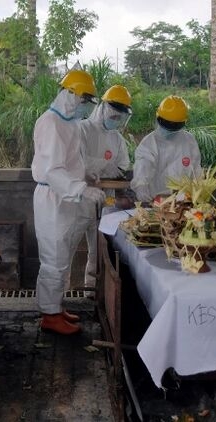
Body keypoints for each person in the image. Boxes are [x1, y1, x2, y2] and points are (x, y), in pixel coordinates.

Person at [31, 69, 106, 335]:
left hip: (65, 197)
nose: (86, 105)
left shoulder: (69, 122)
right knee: (53, 257)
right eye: (85, 99)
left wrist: (84, 172)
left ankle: (56, 306)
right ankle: (50, 315)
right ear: (71, 94)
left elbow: (69, 160)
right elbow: (52, 170)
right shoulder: (50, 123)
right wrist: (81, 189)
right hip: (53, 197)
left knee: (63, 256)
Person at [78, 85, 133, 294]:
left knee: (101, 246)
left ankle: (97, 293)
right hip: (81, 198)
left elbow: (122, 165)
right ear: (102, 108)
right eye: (113, 115)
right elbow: (78, 162)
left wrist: (108, 169)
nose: (115, 120)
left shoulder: (117, 138)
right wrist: (103, 165)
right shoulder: (83, 129)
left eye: (119, 117)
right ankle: (82, 294)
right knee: (73, 247)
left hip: (107, 199)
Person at [130, 95, 202, 203]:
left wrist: (200, 192)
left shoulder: (189, 141)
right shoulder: (149, 143)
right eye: (167, 125)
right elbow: (143, 164)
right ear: (159, 119)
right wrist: (141, 185)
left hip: (184, 203)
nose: (169, 130)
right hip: (156, 203)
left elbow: (196, 171)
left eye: (174, 127)